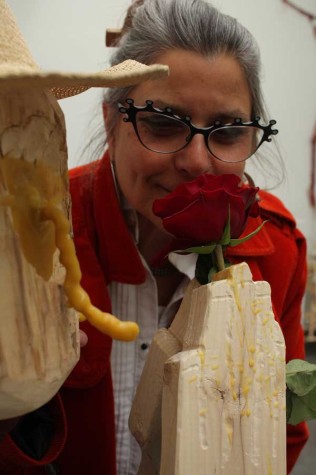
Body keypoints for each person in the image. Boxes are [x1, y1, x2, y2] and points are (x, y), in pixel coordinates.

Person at [0, 0, 309, 474]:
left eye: (227, 132)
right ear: (111, 122)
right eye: (164, 124)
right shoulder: (30, 235)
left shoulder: (277, 251)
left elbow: (278, 433)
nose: (198, 162)